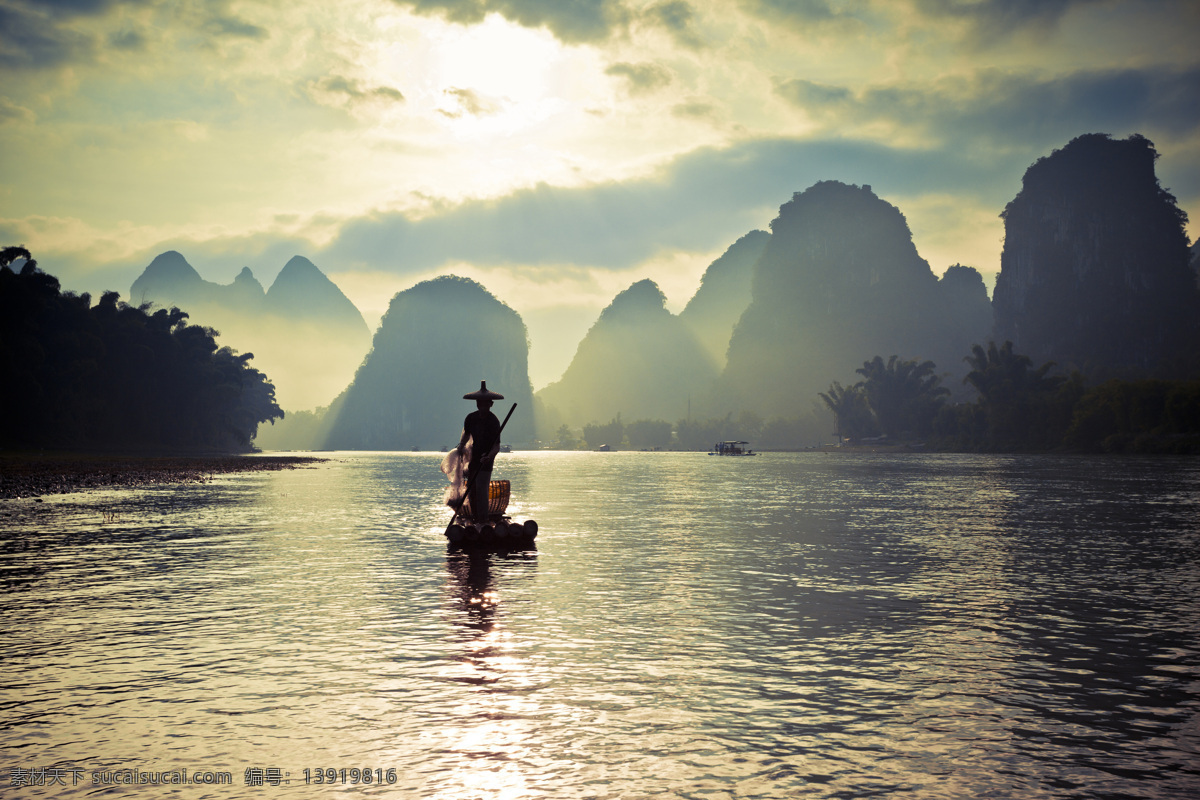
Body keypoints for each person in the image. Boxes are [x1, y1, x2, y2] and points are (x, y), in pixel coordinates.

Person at [457, 381, 504, 523]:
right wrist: (461, 445)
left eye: (486, 404)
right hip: (473, 458)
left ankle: (483, 521)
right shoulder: (471, 418)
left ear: (491, 404)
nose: (483, 407)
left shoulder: (493, 421)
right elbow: (466, 434)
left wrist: (489, 457)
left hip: (486, 460)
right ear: (477, 404)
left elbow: (496, 446)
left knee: (482, 490)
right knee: (472, 491)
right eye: (481, 404)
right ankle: (475, 519)